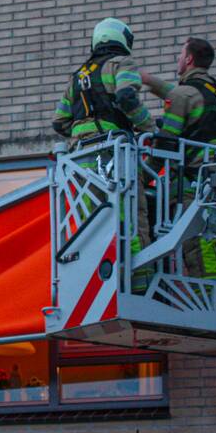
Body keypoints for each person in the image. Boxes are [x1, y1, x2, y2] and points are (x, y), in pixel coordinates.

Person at [52, 17, 154, 255]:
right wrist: (150, 128)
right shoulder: (121, 63)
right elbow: (126, 97)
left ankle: (98, 271)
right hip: (113, 153)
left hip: (81, 159)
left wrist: (82, 132)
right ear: (122, 39)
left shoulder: (77, 77)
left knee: (91, 219)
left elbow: (59, 121)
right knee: (130, 216)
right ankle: (137, 280)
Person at [142, 37, 216, 281]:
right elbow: (185, 96)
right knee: (207, 238)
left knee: (194, 244)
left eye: (181, 54)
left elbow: (166, 141)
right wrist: (148, 81)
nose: (178, 59)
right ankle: (211, 286)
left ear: (189, 59)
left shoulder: (184, 95)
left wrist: (143, 175)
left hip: (191, 182)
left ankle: (205, 290)